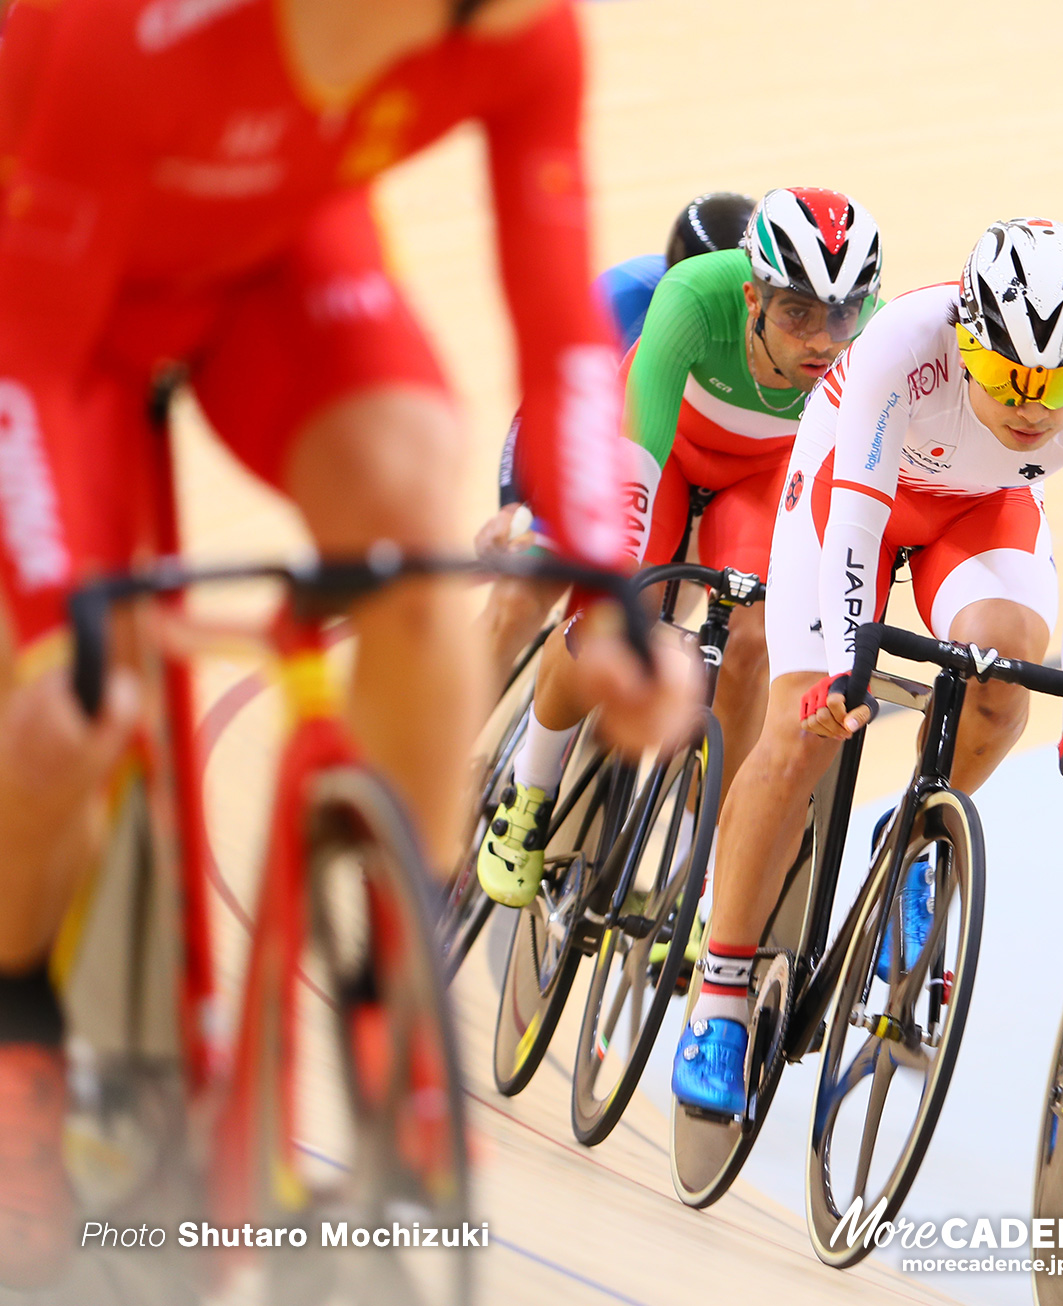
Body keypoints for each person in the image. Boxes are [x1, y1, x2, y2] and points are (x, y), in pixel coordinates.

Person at [0, 0, 689, 1285]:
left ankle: (392, 1007)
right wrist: (57, 621)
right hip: (48, 310)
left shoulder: (519, 31)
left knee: (421, 529)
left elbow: (563, 328)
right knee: (62, 713)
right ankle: (20, 1032)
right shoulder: (117, 31)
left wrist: (606, 589)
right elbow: (25, 353)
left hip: (274, 260)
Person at [670, 218, 1063, 1115]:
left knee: (1009, 673)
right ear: (967, 336)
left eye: (1061, 383)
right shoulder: (906, 340)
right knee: (799, 731)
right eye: (1009, 374)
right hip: (854, 487)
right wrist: (844, 671)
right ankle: (720, 1001)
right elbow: (854, 518)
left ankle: (913, 834)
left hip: (977, 511)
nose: (1033, 405)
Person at [474, 187, 882, 908]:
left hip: (758, 478)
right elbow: (634, 464)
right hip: (662, 455)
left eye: (840, 317)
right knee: (607, 610)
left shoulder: (870, 340)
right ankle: (528, 795)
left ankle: (702, 865)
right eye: (797, 314)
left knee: (754, 637)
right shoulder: (687, 297)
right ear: (753, 297)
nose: (823, 339)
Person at [477, 190, 756, 673]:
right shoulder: (619, 298)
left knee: (651, 611)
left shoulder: (774, 330)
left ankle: (600, 730)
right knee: (519, 601)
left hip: (689, 467)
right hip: (602, 452)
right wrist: (514, 502)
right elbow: (544, 404)